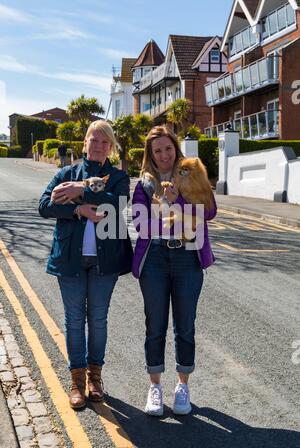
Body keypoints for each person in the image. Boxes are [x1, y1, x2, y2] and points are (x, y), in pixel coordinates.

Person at [39, 120, 133, 409]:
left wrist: (81, 188)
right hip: (70, 260)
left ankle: (95, 378)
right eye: (94, 140)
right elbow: (44, 206)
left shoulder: (118, 177)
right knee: (74, 320)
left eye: (105, 142)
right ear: (85, 143)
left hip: (106, 261)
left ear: (111, 147)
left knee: (99, 319)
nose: (99, 145)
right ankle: (77, 382)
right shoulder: (65, 173)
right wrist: (77, 208)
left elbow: (116, 203)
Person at [131, 126, 217, 416]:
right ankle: (154, 386)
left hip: (187, 258)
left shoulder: (191, 172)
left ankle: (183, 387)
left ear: (176, 149)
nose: (164, 155)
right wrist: (171, 214)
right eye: (158, 151)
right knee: (155, 325)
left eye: (168, 148)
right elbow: (141, 225)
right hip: (154, 258)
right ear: (151, 155)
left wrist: (178, 198)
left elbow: (208, 212)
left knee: (185, 326)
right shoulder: (143, 184)